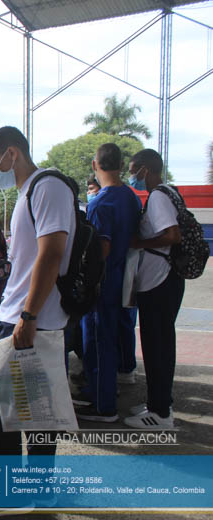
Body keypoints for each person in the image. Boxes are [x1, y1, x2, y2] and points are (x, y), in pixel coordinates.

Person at [0, 126, 76, 459]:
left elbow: (50, 255)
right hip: (17, 315)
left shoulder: (47, 187)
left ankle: (15, 490)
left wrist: (28, 314)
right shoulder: (28, 192)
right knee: (27, 408)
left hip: (36, 319)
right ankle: (31, 488)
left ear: (12, 154)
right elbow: (23, 261)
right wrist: (6, 312)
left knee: (1, 405)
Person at [74, 143, 142, 423]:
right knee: (110, 338)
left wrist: (86, 279)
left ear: (94, 165)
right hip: (123, 276)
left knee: (98, 341)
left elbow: (101, 248)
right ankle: (102, 390)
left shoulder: (100, 203)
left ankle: (103, 405)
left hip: (103, 281)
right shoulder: (130, 196)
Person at [124, 148, 184, 429]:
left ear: (146, 170)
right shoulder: (171, 192)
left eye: (134, 169)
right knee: (160, 344)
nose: (132, 174)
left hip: (159, 281)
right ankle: (158, 402)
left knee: (157, 345)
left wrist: (139, 243)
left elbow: (172, 235)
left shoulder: (158, 196)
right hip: (166, 280)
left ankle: (160, 414)